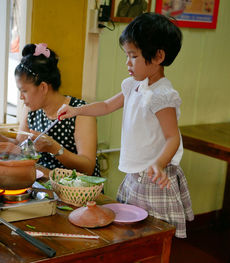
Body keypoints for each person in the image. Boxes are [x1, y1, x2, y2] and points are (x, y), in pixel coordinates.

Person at [57, 13, 193, 238]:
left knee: (154, 234)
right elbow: (106, 106)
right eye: (127, 55)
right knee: (130, 233)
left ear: (158, 56)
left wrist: (159, 164)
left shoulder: (162, 95)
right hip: (134, 175)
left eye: (133, 56)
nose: (127, 63)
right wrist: (75, 110)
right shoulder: (133, 85)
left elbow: (172, 137)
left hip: (155, 177)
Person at [0, 43, 100, 177]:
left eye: (24, 91)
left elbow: (88, 168)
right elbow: (22, 147)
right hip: (45, 181)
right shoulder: (32, 109)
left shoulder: (81, 112)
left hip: (78, 191)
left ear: (43, 87)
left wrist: (54, 148)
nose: (21, 97)